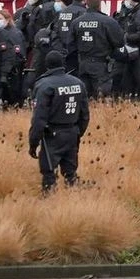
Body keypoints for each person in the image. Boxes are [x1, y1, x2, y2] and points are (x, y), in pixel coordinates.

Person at [28, 50, 88, 192]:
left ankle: (50, 203)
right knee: (71, 174)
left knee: (49, 174)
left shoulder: (44, 85)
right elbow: (85, 114)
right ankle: (74, 200)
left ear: (46, 65)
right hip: (72, 132)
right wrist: (78, 132)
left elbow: (39, 118)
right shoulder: (78, 83)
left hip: (52, 135)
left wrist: (33, 142)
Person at [72, 0, 123, 99]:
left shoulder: (76, 22)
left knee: (84, 96)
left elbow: (70, 43)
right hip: (101, 64)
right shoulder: (108, 21)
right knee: (102, 97)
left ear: (86, 5)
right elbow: (119, 42)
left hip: (82, 63)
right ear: (100, 6)